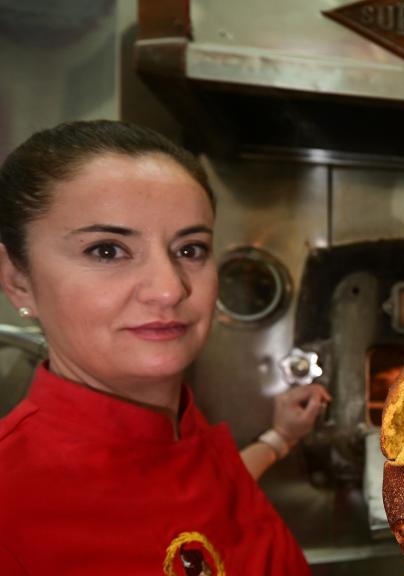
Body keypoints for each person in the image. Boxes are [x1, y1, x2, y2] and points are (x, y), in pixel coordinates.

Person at [0, 120, 330, 575]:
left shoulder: (180, 422)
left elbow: (190, 493)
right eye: (106, 251)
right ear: (18, 280)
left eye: (190, 250)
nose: (168, 289)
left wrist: (281, 438)